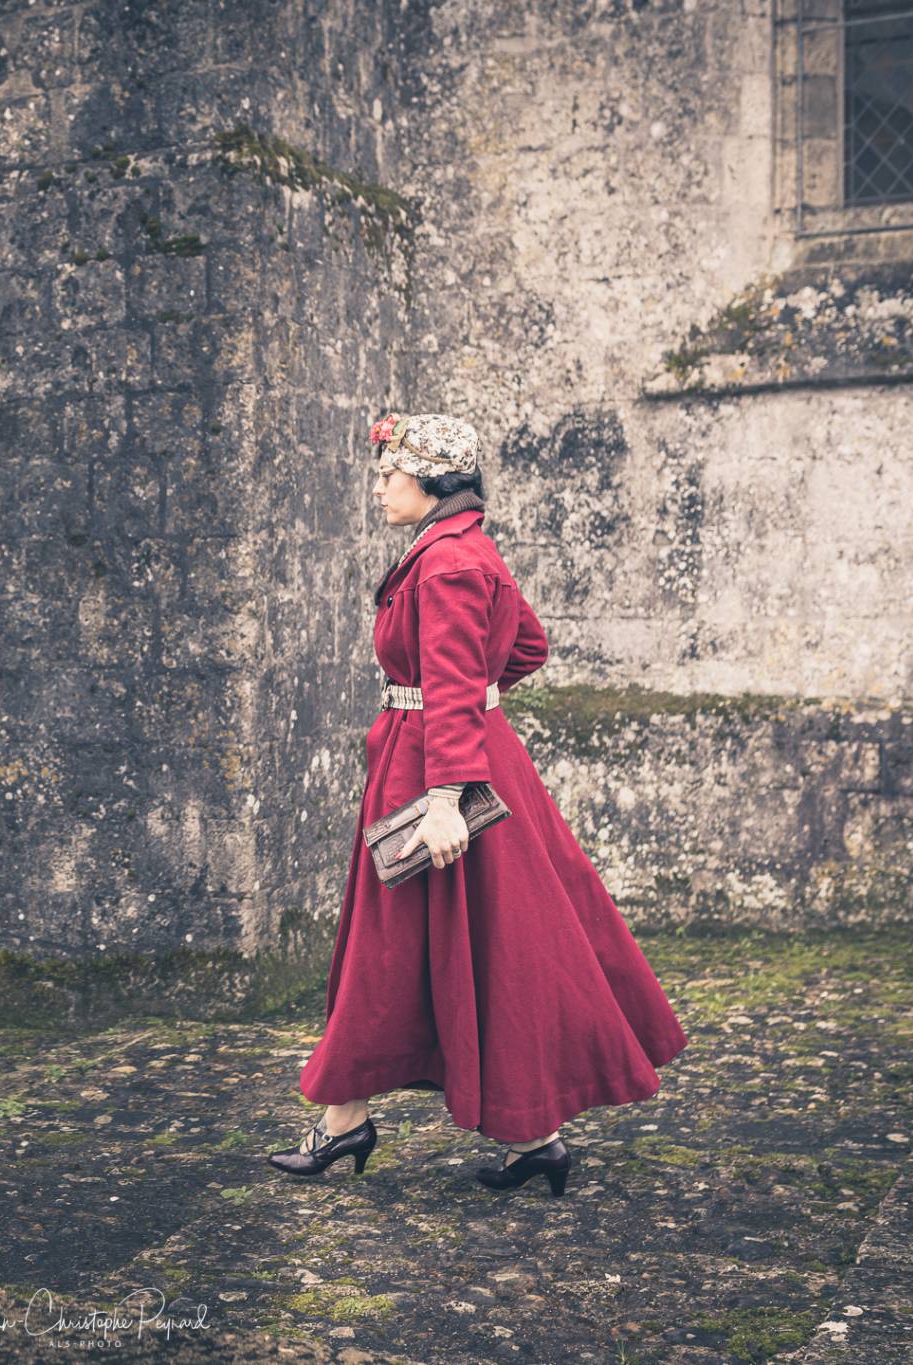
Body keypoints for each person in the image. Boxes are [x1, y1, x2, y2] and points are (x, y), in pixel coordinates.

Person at [267, 411, 689, 1195]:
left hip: (439, 775)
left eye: (391, 475)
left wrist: (443, 799)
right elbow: (526, 645)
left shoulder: (447, 564)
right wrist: (475, 712)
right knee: (471, 946)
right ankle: (526, 1138)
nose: (379, 488)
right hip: (452, 759)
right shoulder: (462, 548)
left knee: (425, 949)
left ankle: (354, 1123)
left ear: (432, 482)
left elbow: (459, 681)